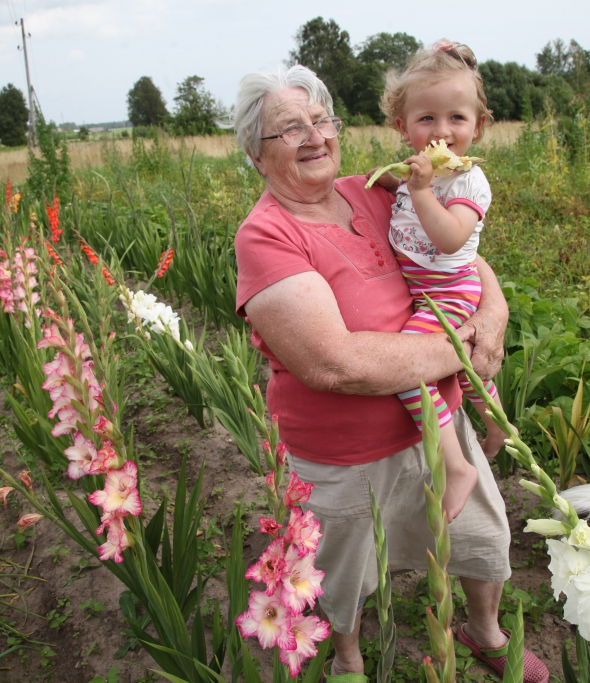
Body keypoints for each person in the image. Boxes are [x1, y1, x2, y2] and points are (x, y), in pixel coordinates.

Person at [232, 63, 548, 683]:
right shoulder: (266, 235)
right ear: (256, 153)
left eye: (322, 120)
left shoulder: (371, 189)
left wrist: (496, 310)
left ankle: (483, 631)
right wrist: (463, 348)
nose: (314, 136)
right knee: (346, 568)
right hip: (346, 451)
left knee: (480, 536)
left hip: (437, 414)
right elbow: (336, 364)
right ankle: (347, 658)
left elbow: (459, 251)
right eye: (290, 129)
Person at [369, 40, 509, 524]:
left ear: (479, 125)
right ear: (401, 126)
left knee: (410, 366)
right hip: (423, 291)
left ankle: (456, 465)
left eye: (457, 118)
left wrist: (420, 189)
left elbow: (450, 239)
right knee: (456, 368)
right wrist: (390, 180)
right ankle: (496, 424)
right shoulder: (415, 174)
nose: (442, 131)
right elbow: (398, 197)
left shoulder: (470, 183)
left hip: (451, 290)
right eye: (426, 119)